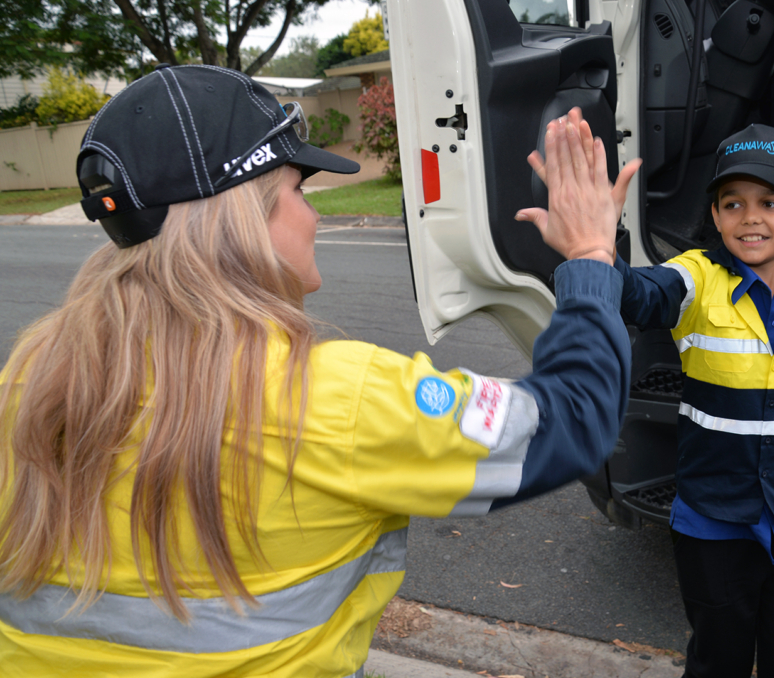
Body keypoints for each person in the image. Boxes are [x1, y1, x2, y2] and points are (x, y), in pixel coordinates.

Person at [0, 66, 635, 678]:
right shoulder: (333, 401)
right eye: (298, 192)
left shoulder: (33, 375)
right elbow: (575, 415)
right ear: (245, 223)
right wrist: (589, 255)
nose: (317, 216)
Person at [523, 121, 774, 677]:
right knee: (716, 660)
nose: (750, 216)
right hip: (712, 520)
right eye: (732, 203)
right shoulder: (696, 278)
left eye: (770, 202)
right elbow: (640, 295)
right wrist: (594, 251)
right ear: (717, 216)